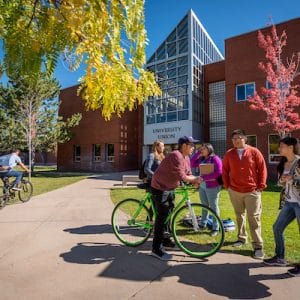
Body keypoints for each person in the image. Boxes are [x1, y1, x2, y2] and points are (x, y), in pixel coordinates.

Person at [150, 136, 201, 260]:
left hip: (170, 187)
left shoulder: (186, 157)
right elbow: (182, 176)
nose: (193, 148)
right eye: (191, 145)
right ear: (184, 146)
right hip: (160, 187)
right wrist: (194, 179)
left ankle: (166, 241)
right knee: (161, 218)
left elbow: (188, 174)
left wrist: (194, 179)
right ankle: (156, 249)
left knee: (169, 213)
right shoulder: (175, 155)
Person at [222, 129, 267, 259]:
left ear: (245, 139)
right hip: (235, 190)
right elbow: (224, 170)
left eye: (238, 138)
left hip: (252, 191)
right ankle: (241, 238)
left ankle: (258, 246)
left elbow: (262, 168)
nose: (236, 140)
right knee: (239, 216)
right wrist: (227, 186)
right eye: (233, 138)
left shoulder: (254, 151)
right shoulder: (229, 154)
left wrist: (261, 186)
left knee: (254, 218)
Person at [263, 137, 300, 277]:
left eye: (282, 146)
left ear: (291, 147)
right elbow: (280, 183)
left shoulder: (299, 162)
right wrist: (283, 181)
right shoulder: (284, 163)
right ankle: (280, 257)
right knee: (277, 227)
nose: (279, 149)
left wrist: (293, 179)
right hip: (289, 202)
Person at [190, 143, 222, 236]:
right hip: (203, 185)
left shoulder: (215, 158)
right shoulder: (202, 158)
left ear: (209, 149)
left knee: (213, 206)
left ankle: (216, 228)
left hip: (213, 185)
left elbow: (219, 172)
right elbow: (192, 163)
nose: (202, 150)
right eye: (201, 149)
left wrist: (205, 178)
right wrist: (197, 153)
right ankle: (203, 223)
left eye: (203, 149)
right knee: (204, 205)